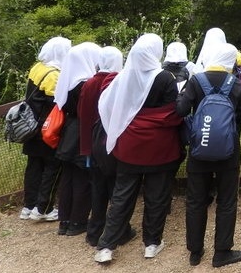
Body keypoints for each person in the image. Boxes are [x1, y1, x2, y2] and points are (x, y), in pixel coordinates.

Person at [93, 33, 183, 264]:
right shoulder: (165, 78)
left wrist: (131, 120)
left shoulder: (124, 77)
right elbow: (174, 113)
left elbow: (107, 104)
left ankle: (106, 246)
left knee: (122, 196)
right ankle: (151, 244)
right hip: (160, 148)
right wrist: (154, 119)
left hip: (130, 146)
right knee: (156, 197)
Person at [176, 43, 241, 268]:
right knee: (227, 201)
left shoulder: (196, 81)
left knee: (196, 200)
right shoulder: (235, 84)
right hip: (228, 152)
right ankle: (222, 252)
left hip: (199, 150)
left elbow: (180, 110)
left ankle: (195, 251)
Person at [78, 46, 132, 247]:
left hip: (92, 144)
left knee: (98, 188)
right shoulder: (118, 81)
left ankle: (94, 231)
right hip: (111, 142)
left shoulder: (90, 82)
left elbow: (82, 113)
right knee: (116, 190)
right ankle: (121, 230)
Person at [20, 36, 71, 222]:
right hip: (46, 129)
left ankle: (28, 205)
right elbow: (57, 104)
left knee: (34, 166)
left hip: (30, 126)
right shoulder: (54, 75)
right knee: (52, 166)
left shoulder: (38, 67)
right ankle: (45, 208)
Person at [53, 41, 101, 237]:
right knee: (83, 178)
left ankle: (64, 220)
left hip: (68, 133)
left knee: (68, 177)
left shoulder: (67, 82)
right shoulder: (86, 84)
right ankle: (78, 221)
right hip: (83, 134)